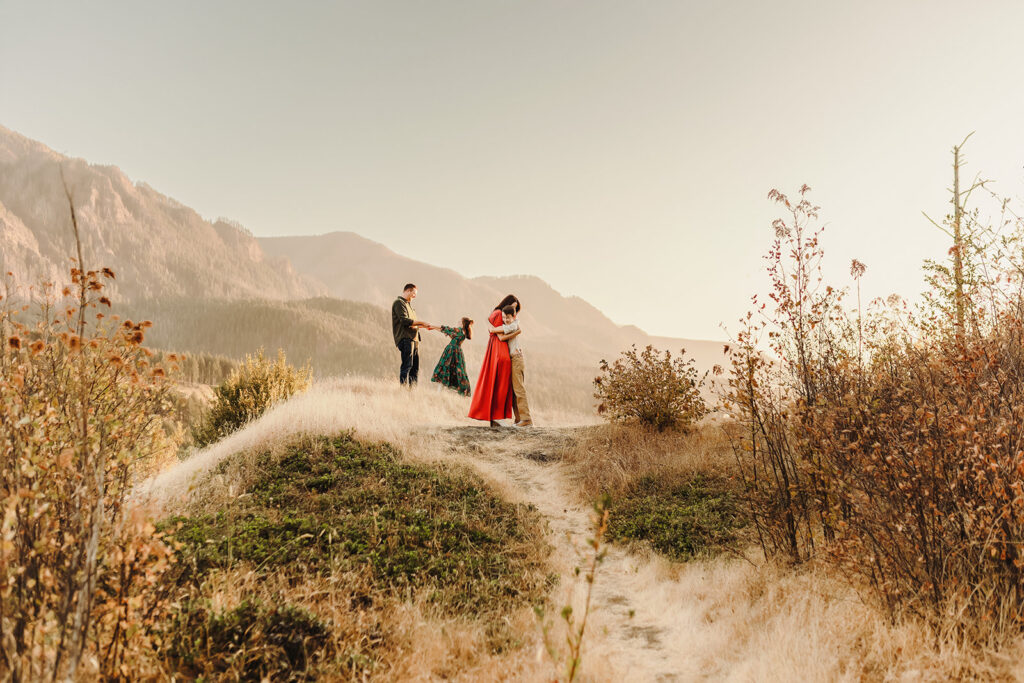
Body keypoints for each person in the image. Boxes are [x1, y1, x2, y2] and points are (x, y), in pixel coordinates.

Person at [468, 295, 520, 427]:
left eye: (515, 309)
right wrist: (517, 332)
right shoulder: (498, 314)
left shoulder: (497, 314)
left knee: (498, 381)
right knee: (501, 382)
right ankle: (497, 416)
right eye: (513, 307)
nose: (513, 311)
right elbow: (501, 337)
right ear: (507, 303)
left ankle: (497, 417)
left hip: (497, 348)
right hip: (499, 349)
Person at [491, 305, 532, 427]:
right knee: (515, 391)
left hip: (517, 359)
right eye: (503, 318)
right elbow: (503, 335)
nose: (505, 320)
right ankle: (519, 419)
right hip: (514, 360)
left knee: (519, 389)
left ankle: (526, 419)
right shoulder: (511, 326)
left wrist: (493, 330)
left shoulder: (514, 325)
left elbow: (508, 328)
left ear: (514, 316)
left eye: (508, 318)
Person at [391, 283, 435, 386]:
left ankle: (412, 391)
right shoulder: (399, 303)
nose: (415, 296)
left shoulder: (409, 306)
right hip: (406, 338)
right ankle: (403, 388)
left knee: (415, 367)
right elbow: (405, 321)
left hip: (414, 340)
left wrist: (425, 326)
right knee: (407, 365)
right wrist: (422, 322)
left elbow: (414, 324)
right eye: (414, 293)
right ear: (408, 291)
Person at [430, 317, 474, 396]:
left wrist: (432, 326)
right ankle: (462, 393)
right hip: (458, 353)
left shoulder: (459, 330)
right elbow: (447, 331)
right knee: (458, 372)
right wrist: (434, 328)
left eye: (459, 321)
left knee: (444, 369)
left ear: (462, 323)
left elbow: (445, 328)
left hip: (451, 352)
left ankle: (439, 393)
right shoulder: (463, 332)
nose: (458, 322)